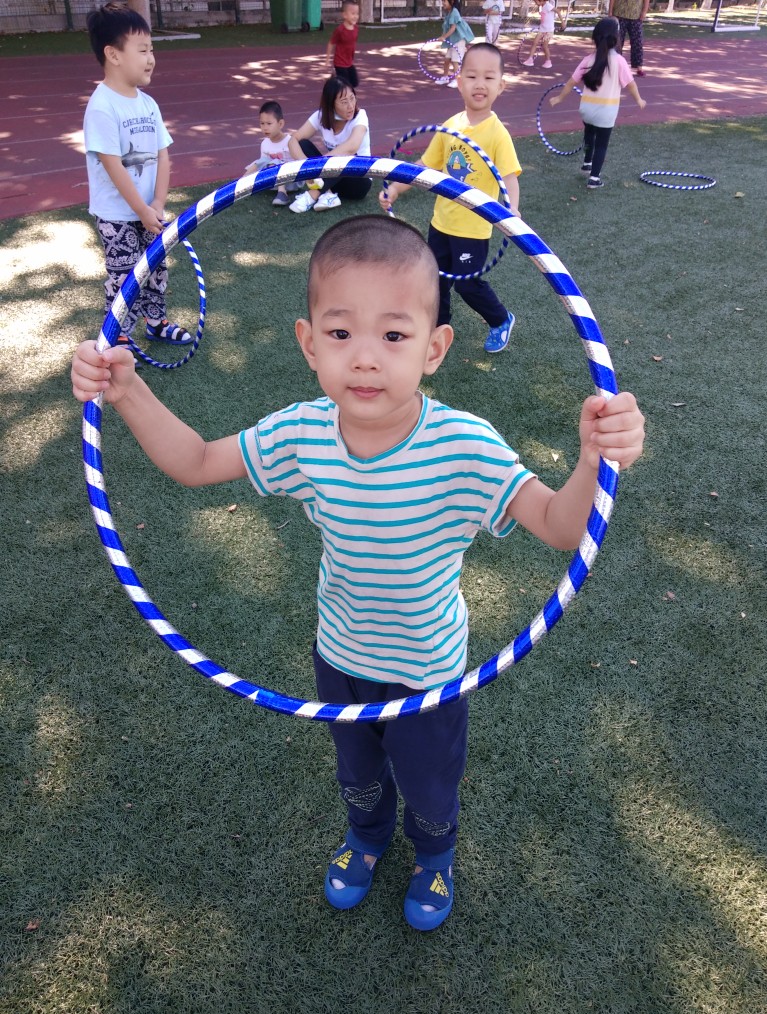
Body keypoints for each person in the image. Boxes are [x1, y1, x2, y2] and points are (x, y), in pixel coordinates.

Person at [70, 213, 646, 932]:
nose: (365, 359)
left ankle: (434, 855)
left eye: (394, 336)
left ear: (435, 348)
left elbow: (561, 527)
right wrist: (126, 391)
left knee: (429, 786)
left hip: (428, 671)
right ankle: (367, 837)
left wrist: (595, 461)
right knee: (359, 775)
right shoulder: (302, 433)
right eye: (341, 333)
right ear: (309, 343)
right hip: (339, 656)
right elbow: (196, 462)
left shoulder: (464, 448)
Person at [380, 43, 520, 355]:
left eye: (488, 77)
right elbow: (425, 167)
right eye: (471, 76)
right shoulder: (450, 127)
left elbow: (509, 177)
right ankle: (439, 327)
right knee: (435, 279)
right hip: (441, 223)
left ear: (501, 85)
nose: (479, 84)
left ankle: (500, 319)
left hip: (474, 229)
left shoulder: (498, 134)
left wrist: (512, 210)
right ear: (459, 81)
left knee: (468, 285)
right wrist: (396, 188)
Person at [83, 2, 192, 347]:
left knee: (156, 267)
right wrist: (141, 209)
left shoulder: (148, 104)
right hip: (117, 216)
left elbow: (162, 154)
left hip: (149, 211)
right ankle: (119, 334)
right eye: (142, 50)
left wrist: (157, 202)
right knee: (125, 275)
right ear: (113, 54)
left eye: (152, 50)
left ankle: (156, 322)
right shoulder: (102, 106)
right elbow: (113, 166)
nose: (151, 58)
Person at [550, 16, 646, 189]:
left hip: (586, 109)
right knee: (601, 144)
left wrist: (559, 98)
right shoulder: (619, 61)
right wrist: (639, 99)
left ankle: (587, 163)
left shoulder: (588, 59)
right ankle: (594, 178)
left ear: (595, 38)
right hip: (606, 112)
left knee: (589, 136)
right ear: (616, 38)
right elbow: (631, 85)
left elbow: (571, 82)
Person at [287, 77, 372, 214]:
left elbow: (352, 146)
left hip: (358, 182)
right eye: (344, 102)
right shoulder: (320, 116)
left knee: (346, 156)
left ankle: (312, 195)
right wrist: (306, 167)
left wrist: (320, 164)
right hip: (331, 177)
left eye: (352, 98)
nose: (350, 106)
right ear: (331, 104)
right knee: (303, 144)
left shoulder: (360, 116)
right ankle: (328, 194)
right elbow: (293, 140)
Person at [243, 100, 302, 207]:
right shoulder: (264, 144)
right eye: (262, 123)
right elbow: (262, 164)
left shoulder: (290, 141)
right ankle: (240, 183)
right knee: (261, 162)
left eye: (269, 124)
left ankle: (282, 194)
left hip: (292, 181)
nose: (265, 127)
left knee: (275, 163)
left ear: (280, 124)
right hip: (273, 182)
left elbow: (298, 163)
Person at [434, 0, 475, 88]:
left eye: (444, 1)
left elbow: (453, 28)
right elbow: (447, 28)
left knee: (455, 61)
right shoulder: (450, 13)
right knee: (447, 60)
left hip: (458, 40)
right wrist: (443, 36)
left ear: (451, 2)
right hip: (453, 41)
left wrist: (444, 37)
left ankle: (457, 80)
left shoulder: (454, 12)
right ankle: (445, 77)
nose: (443, 3)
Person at [608, 0, 650, 77]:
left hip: (636, 15)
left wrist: (644, 12)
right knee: (617, 42)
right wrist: (610, 12)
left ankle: (639, 67)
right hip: (619, 14)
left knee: (638, 42)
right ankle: (616, 66)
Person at [325, 0, 361, 89]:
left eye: (357, 14)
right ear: (345, 15)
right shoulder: (340, 30)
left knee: (355, 82)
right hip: (340, 63)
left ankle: (335, 79)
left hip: (349, 62)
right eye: (353, 13)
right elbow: (331, 43)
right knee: (345, 86)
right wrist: (327, 60)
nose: (355, 16)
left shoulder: (356, 29)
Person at [521, 0, 556, 68]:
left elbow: (557, 11)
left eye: (536, 1)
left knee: (545, 46)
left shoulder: (548, 6)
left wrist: (563, 22)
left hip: (548, 30)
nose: (535, 3)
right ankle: (530, 60)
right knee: (534, 43)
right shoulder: (542, 7)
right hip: (542, 29)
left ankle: (548, 61)